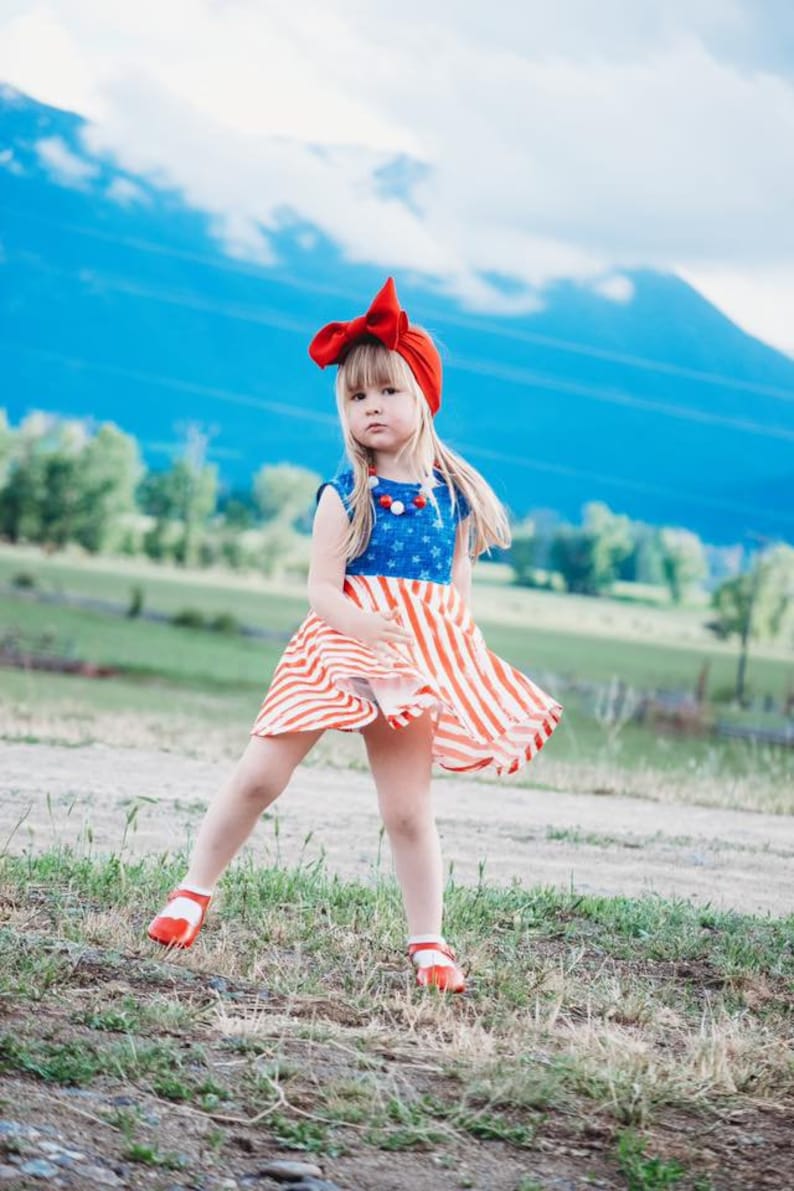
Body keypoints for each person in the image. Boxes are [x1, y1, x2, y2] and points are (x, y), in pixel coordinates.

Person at [148, 277, 563, 992]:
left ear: (423, 397)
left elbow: (455, 591)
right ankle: (191, 890)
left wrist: (457, 655)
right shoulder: (344, 495)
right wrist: (360, 625)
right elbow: (319, 589)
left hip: (412, 655)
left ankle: (429, 941)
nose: (372, 406)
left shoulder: (455, 498)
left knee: (407, 807)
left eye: (389, 391)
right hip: (338, 644)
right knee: (260, 776)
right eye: (357, 396)